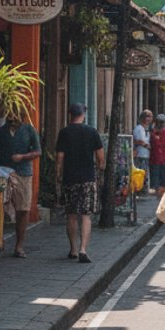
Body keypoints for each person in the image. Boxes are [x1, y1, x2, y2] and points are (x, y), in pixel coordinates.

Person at [55, 103, 104, 263]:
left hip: (70, 178)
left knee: (71, 214)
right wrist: (98, 169)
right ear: (84, 114)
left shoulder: (64, 133)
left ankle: (73, 249)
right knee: (85, 215)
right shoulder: (92, 132)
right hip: (88, 178)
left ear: (70, 114)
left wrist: (58, 175)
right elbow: (100, 157)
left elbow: (60, 158)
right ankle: (83, 248)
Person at [0, 114, 41, 258]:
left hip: (23, 173)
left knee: (23, 209)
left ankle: (19, 246)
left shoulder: (29, 130)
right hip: (3, 172)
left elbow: (38, 151)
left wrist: (23, 157)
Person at [132, 110, 152, 177]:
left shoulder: (147, 129)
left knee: (145, 175)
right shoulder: (138, 128)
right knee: (140, 175)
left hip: (146, 155)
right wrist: (147, 146)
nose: (149, 119)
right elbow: (138, 141)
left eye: (150, 117)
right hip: (140, 156)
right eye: (147, 116)